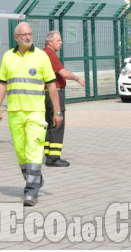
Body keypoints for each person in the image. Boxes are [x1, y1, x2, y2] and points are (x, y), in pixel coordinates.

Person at [0, 22, 62, 207]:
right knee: (21, 152)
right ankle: (35, 179)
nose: (28, 37)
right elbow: (2, 84)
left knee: (34, 149)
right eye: (24, 34)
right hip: (15, 113)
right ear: (16, 37)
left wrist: (57, 111)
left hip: (36, 113)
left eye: (30, 34)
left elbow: (52, 85)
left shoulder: (41, 57)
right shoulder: (7, 57)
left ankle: (30, 191)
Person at [42, 30, 85, 167]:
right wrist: (78, 78)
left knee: (49, 124)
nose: (61, 43)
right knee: (57, 123)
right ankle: (54, 157)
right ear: (50, 42)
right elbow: (63, 73)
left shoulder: (43, 54)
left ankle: (48, 154)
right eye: (58, 40)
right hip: (54, 92)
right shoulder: (50, 54)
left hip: (44, 93)